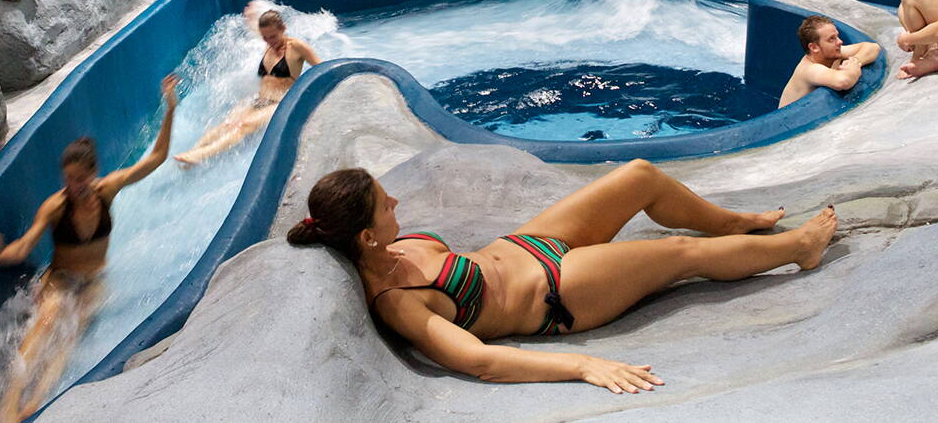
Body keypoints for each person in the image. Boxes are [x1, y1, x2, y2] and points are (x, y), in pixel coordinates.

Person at [287, 163, 836, 394]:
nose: (397, 201)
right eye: (386, 204)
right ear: (365, 237)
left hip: (528, 243)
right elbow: (479, 360)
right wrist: (582, 366)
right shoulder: (398, 302)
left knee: (640, 176)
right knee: (677, 253)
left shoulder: (395, 246)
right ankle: (799, 249)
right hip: (557, 293)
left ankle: (736, 221)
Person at [0, 74, 180, 423]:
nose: (73, 186)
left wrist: (170, 109)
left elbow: (157, 158)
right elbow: (24, 247)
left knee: (70, 339)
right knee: (48, 322)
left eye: (79, 179)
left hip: (94, 280)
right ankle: (7, 406)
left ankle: (38, 403)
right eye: (68, 179)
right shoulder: (55, 206)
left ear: (93, 173)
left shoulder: (108, 189)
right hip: (59, 279)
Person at [175, 5, 320, 166]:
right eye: (265, 38)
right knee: (227, 123)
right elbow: (254, 33)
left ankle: (201, 155)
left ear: (283, 29)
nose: (269, 41)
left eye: (273, 37)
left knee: (244, 125)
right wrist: (251, 17)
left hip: (279, 103)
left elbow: (321, 69)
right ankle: (193, 152)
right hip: (259, 99)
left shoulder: (297, 47)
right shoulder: (268, 43)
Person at [778, 16, 882, 107]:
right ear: (814, 47)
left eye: (837, 36)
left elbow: (873, 48)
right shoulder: (809, 70)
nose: (840, 42)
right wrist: (853, 70)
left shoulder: (833, 54)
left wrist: (855, 61)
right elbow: (843, 81)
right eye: (831, 39)